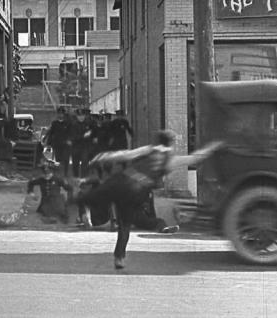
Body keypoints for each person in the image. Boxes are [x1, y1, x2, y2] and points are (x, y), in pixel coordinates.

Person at [76, 130, 222, 269]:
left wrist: (104, 156)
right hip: (137, 191)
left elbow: (126, 155)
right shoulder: (170, 160)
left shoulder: (149, 150)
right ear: (171, 143)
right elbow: (196, 158)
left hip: (122, 181)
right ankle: (119, 257)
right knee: (126, 223)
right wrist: (213, 146)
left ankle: (80, 205)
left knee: (99, 199)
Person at [44, 107, 73, 176]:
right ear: (57, 114)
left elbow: (71, 133)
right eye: (59, 114)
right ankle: (59, 174)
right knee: (58, 160)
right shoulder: (54, 123)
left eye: (62, 114)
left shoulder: (68, 123)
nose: (60, 115)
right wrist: (48, 143)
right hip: (57, 144)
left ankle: (65, 174)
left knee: (65, 160)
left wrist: (70, 140)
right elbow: (51, 133)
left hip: (66, 145)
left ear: (64, 114)